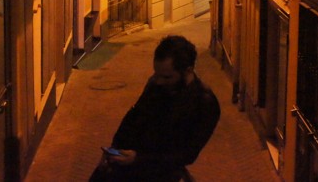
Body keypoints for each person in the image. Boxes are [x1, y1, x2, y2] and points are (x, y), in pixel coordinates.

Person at [89, 35, 221, 181]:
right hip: (128, 164)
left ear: (188, 71)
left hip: (159, 173)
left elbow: (187, 154)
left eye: (167, 77)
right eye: (156, 74)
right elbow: (134, 117)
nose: (159, 81)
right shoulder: (156, 84)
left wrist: (139, 159)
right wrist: (113, 149)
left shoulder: (204, 102)